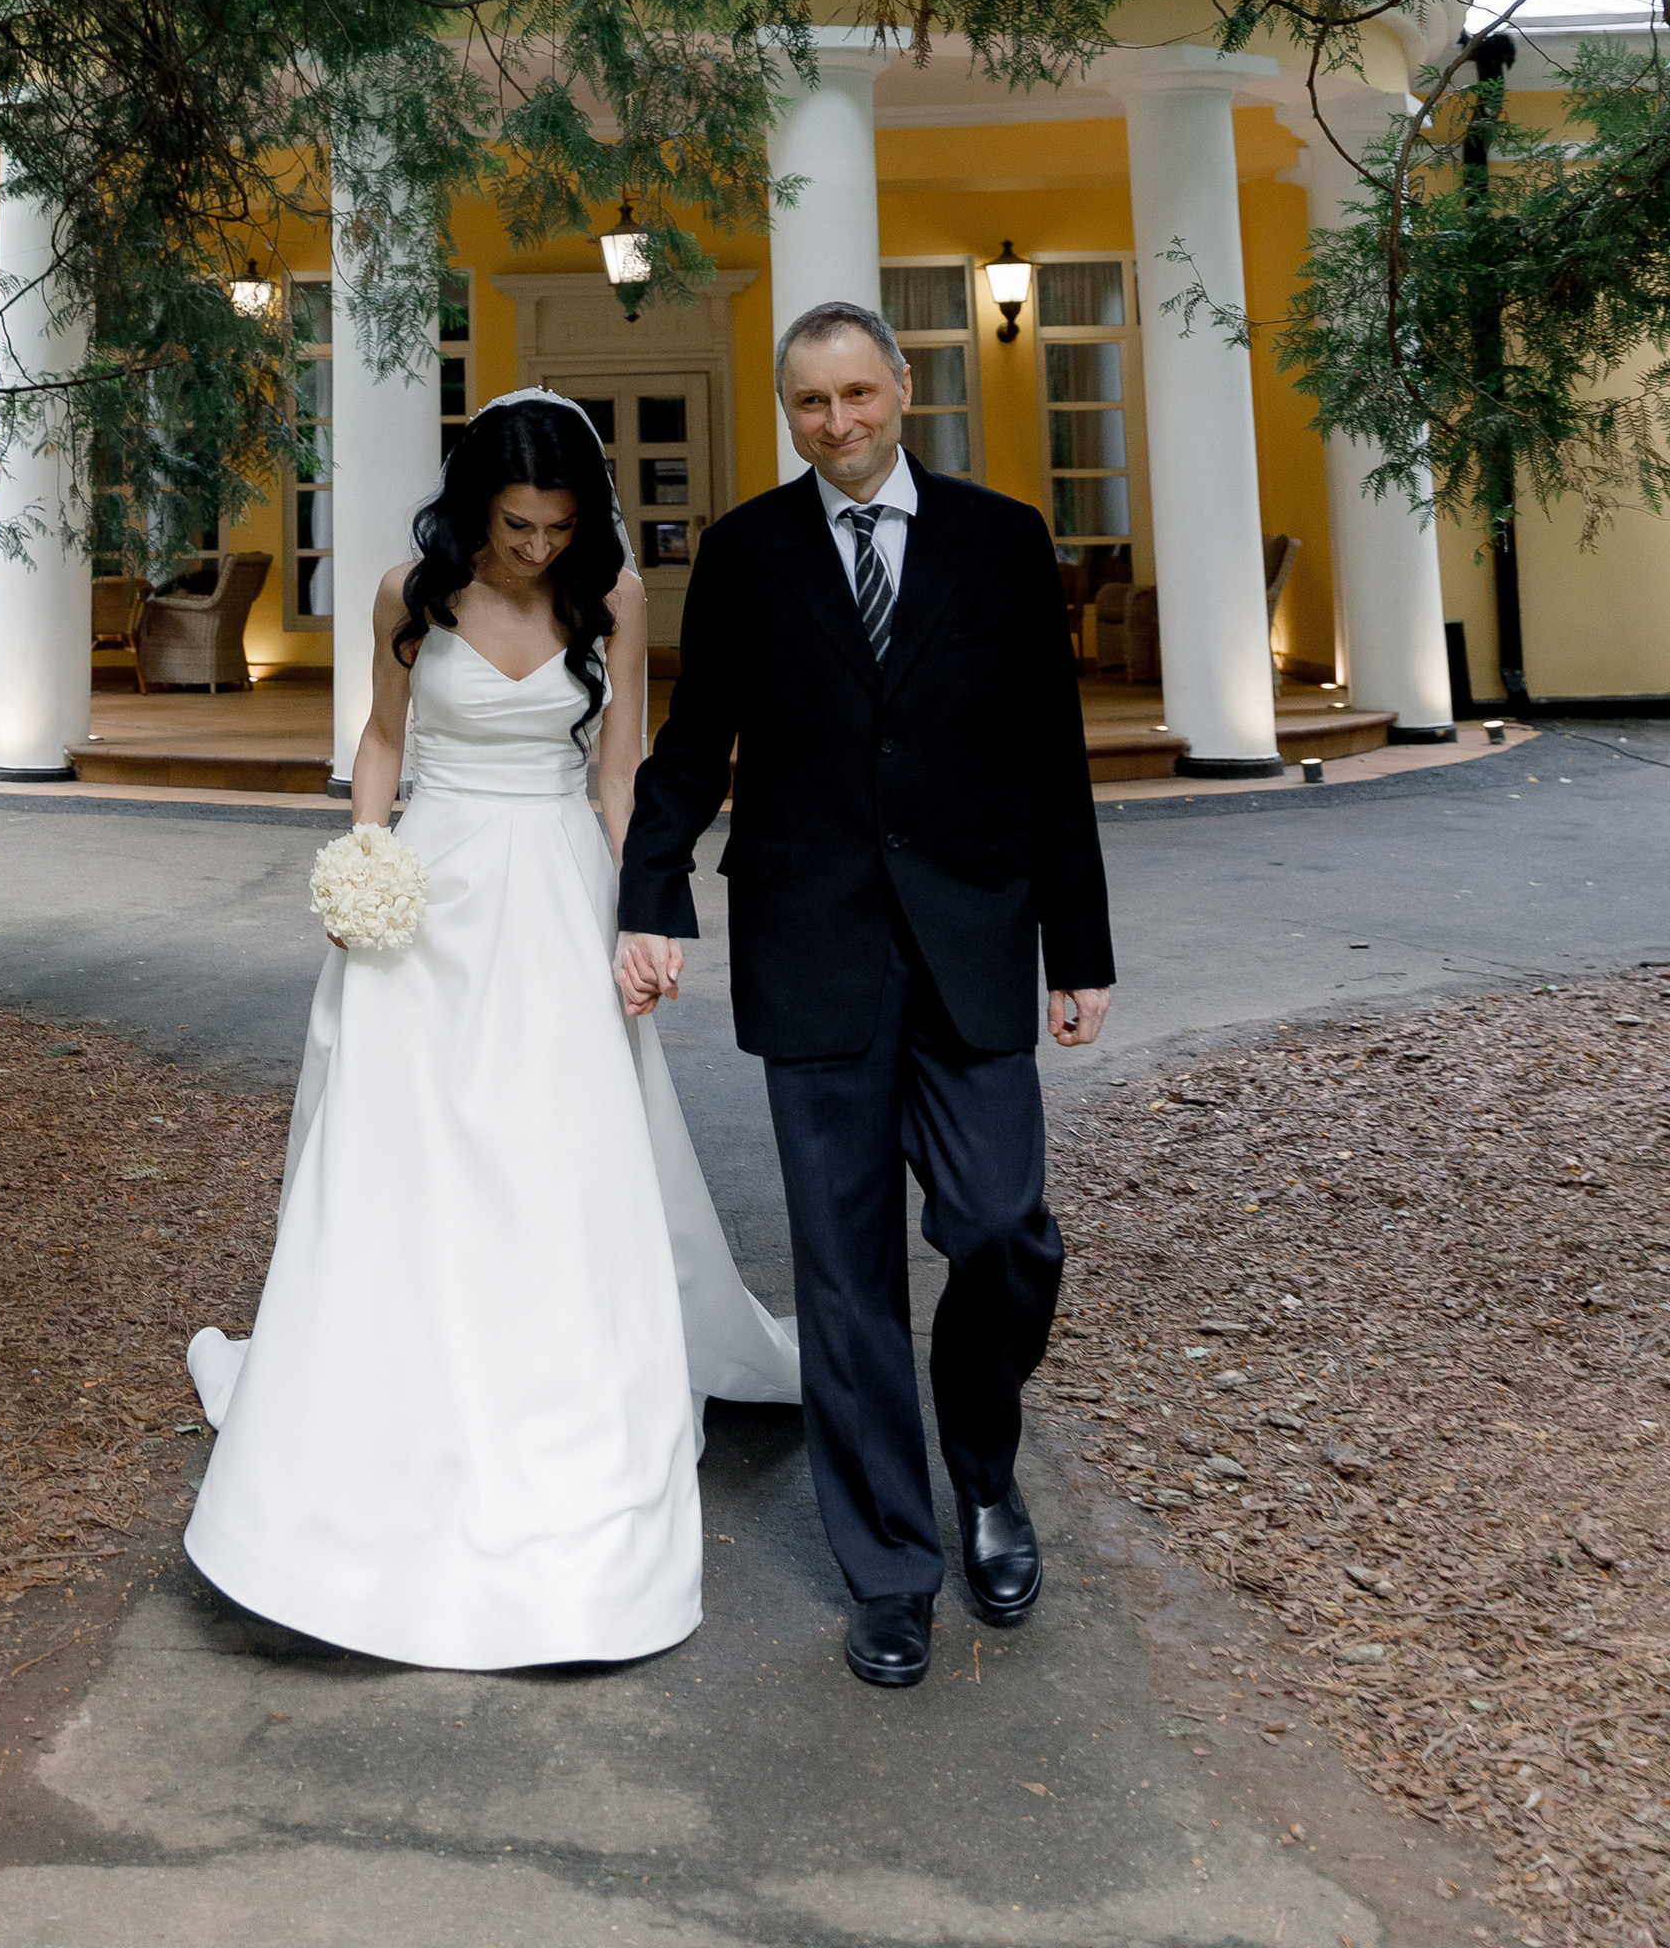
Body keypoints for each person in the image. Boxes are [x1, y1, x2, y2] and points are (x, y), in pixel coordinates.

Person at [184, 391, 797, 1670]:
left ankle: (557, 1395)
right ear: (477, 509)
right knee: (408, 1151)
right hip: (433, 893)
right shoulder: (409, 592)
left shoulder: (613, 597)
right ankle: (394, 1394)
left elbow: (619, 767)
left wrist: (641, 916)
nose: (536, 548)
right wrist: (364, 859)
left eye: (559, 525)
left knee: (557, 1150)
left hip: (557, 883)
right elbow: (380, 738)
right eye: (517, 524)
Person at [617, 299, 1116, 1694]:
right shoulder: (747, 553)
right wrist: (651, 894)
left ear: (905, 387)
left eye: (856, 393)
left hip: (972, 941)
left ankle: (983, 1472)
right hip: (813, 948)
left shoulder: (1002, 538)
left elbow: (1050, 752)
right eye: (808, 404)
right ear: (790, 414)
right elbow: (692, 741)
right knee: (844, 1284)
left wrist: (1077, 946)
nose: (836, 423)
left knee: (1003, 1228)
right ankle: (890, 1570)